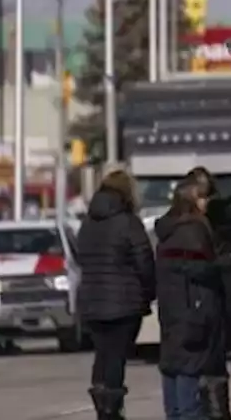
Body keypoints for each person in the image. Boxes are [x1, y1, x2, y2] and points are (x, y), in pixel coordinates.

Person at [76, 169, 157, 420]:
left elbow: (81, 258)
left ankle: (103, 407)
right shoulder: (128, 222)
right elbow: (144, 260)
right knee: (116, 357)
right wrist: (149, 292)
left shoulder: (87, 224)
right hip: (124, 301)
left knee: (102, 354)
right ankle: (111, 410)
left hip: (91, 300)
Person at [185, 166, 231, 419]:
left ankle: (201, 410)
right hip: (227, 291)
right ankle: (218, 412)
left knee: (195, 360)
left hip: (195, 296)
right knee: (217, 360)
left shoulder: (186, 221)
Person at [155, 177, 227, 420]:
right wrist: (221, 265)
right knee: (189, 370)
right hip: (193, 309)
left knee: (172, 366)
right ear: (192, 200)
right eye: (202, 197)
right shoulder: (193, 230)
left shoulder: (167, 229)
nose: (206, 202)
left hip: (171, 309)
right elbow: (197, 268)